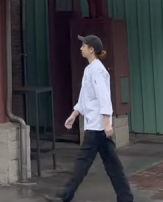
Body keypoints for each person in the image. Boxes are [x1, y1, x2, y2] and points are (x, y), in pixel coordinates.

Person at [46, 35, 134, 202]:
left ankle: (65, 196)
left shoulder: (97, 70)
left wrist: (107, 122)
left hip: (97, 127)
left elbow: (104, 97)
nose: (81, 48)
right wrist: (74, 114)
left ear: (91, 49)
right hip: (96, 127)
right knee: (113, 166)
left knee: (82, 162)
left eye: (83, 45)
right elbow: (85, 97)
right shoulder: (89, 70)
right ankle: (126, 197)